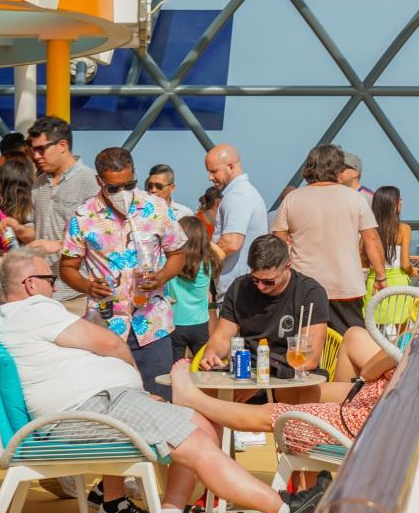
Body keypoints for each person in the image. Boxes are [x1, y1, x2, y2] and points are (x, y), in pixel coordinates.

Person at [0, 247, 330, 513]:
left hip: (99, 404)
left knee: (202, 423)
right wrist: (132, 382)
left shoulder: (11, 319)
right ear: (30, 284)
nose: (54, 286)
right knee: (195, 443)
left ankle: (172, 509)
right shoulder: (33, 309)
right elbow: (110, 343)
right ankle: (285, 508)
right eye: (50, 279)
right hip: (96, 407)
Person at [60, 147, 187, 401]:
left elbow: (179, 253)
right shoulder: (83, 217)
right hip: (105, 329)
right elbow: (67, 267)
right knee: (110, 403)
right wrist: (88, 286)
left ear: (135, 176)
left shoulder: (157, 208)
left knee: (160, 400)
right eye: (114, 188)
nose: (122, 194)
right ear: (99, 181)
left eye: (129, 185)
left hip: (152, 325)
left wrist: (161, 277)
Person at [173, 325, 396, 454]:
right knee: (297, 394)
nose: (261, 286)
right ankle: (309, 478)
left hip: (367, 416)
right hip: (380, 399)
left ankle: (193, 399)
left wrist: (398, 350)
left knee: (273, 413)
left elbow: (368, 372)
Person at [272, 144, 388, 334]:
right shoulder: (355, 198)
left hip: (303, 287)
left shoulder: (292, 199)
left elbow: (278, 245)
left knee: (304, 345)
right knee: (352, 344)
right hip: (346, 286)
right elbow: (372, 240)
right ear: (338, 168)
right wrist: (381, 277)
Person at [200, 235, 329, 401]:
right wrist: (211, 354)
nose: (260, 286)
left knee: (292, 394)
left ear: (287, 266)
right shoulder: (240, 287)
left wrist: (260, 383)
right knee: (196, 396)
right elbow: (221, 337)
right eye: (255, 280)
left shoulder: (309, 293)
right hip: (246, 373)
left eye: (268, 282)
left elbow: (309, 360)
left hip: (287, 378)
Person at [20, 116, 99, 315]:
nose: (36, 156)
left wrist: (57, 245)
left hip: (77, 294)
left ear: (62, 145)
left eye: (41, 149)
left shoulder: (90, 182)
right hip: (43, 292)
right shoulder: (39, 184)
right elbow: (35, 230)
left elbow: (101, 238)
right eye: (32, 149)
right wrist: (18, 229)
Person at [205, 143, 268, 295]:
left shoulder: (237, 196)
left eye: (214, 171)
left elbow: (231, 243)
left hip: (238, 290)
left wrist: (203, 267)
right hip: (243, 286)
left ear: (231, 167)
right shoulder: (243, 193)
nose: (210, 177)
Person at [166, 216, 222, 363]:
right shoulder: (209, 263)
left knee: (175, 370)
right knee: (202, 368)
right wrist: (203, 240)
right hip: (200, 324)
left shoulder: (171, 263)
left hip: (175, 323)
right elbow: (221, 252)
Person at [362, 186, 416, 303]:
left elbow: (363, 260)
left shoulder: (368, 229)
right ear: (393, 204)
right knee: (400, 319)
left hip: (374, 281)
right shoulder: (404, 229)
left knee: (373, 319)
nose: (401, 202)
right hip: (398, 283)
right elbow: (405, 264)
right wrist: (413, 271)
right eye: (399, 199)